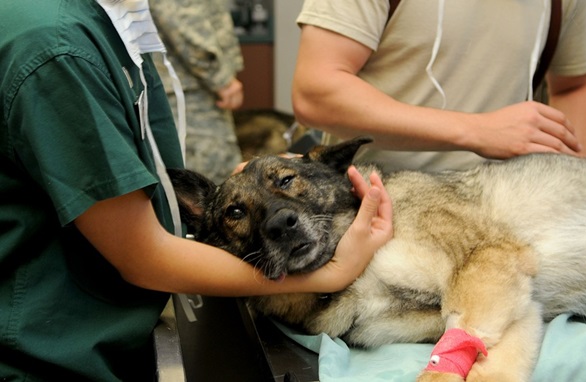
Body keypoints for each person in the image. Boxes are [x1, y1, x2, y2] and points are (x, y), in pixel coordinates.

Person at [0, 1, 393, 381]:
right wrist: (332, 274)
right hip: (49, 354)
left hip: (104, 334)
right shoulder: (57, 49)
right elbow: (142, 255)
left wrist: (261, 185)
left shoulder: (112, 19)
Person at [292, 0, 586, 173]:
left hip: (508, 212)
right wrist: (477, 130)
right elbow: (316, 91)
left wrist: (568, 182)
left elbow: (577, 84)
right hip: (378, 211)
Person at [150, 0, 245, 184]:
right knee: (208, 184)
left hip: (190, 87)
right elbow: (182, 18)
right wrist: (221, 79)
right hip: (189, 92)